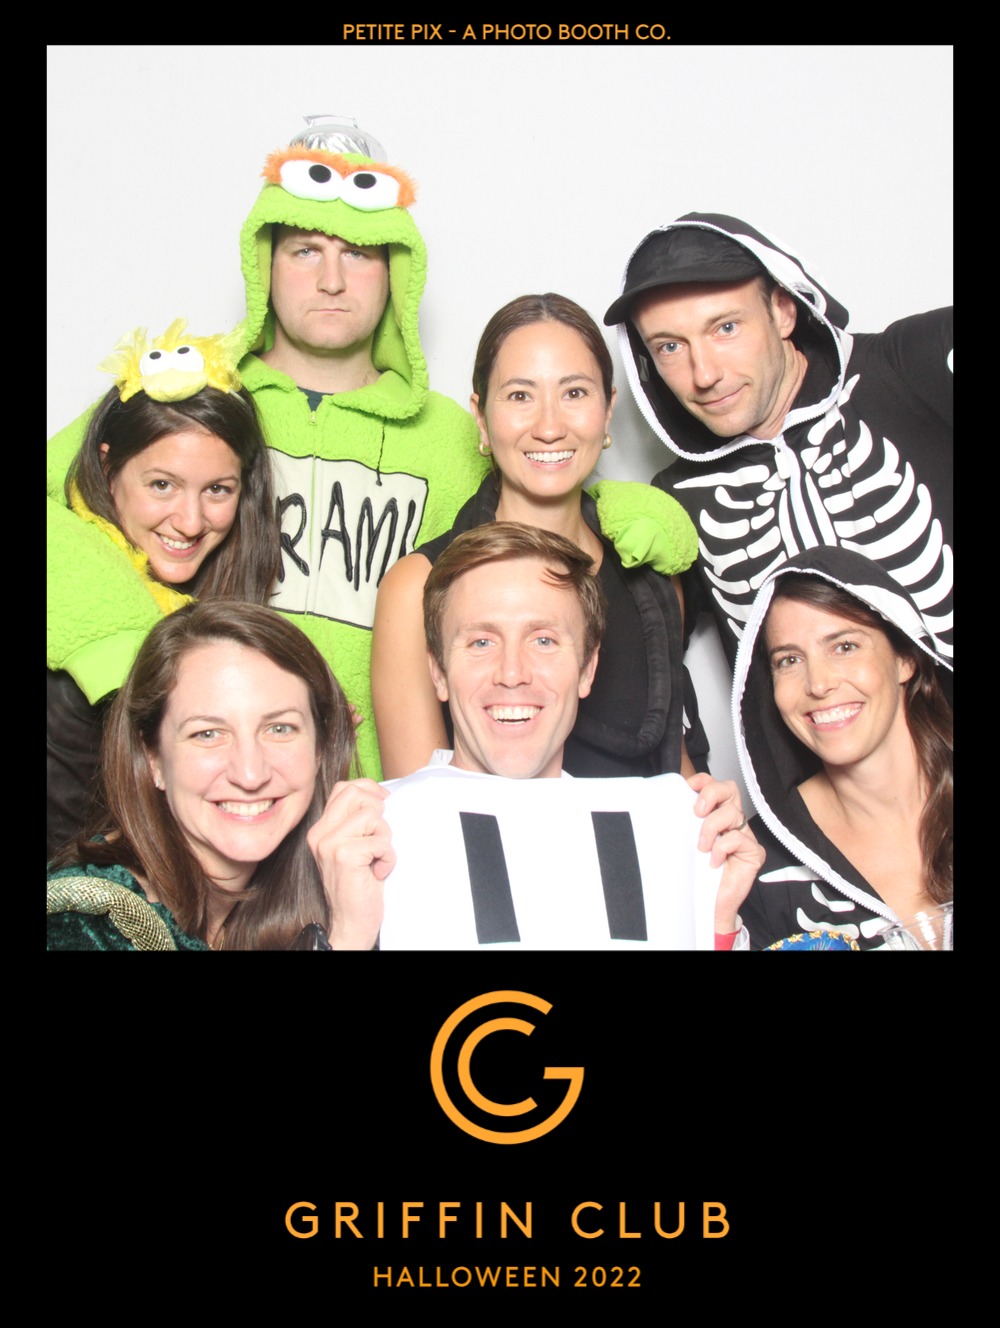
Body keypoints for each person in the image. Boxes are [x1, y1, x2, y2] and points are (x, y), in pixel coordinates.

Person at [46, 116, 489, 779]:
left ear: (395, 271)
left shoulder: (450, 436)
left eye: (359, 253)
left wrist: (629, 509)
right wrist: (121, 651)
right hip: (198, 786)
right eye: (305, 251)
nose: (332, 280)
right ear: (265, 265)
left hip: (381, 796)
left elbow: (547, 514)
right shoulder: (191, 395)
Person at [321, 523, 763, 950]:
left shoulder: (661, 839)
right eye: (481, 642)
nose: (512, 673)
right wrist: (345, 940)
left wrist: (715, 925)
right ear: (437, 672)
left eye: (544, 641)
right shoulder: (364, 844)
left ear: (587, 669)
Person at [371, 293, 700, 780]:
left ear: (608, 409)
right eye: (520, 396)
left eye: (575, 393)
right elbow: (423, 806)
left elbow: (672, 768)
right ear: (481, 417)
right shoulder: (416, 588)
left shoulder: (651, 580)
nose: (549, 427)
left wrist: (708, 809)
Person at [604, 213, 953, 668]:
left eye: (726, 327)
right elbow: (629, 660)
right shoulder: (676, 502)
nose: (704, 375)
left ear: (784, 311)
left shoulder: (909, 368)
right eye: (670, 346)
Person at [47, 320, 280, 858]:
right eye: (161, 485)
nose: (190, 521)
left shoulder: (214, 602)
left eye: (217, 490)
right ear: (107, 468)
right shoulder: (73, 661)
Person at [47, 600, 390, 951]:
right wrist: (349, 937)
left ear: (320, 748)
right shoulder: (85, 925)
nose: (250, 774)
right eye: (208, 734)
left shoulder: (318, 892)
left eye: (279, 728)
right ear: (153, 758)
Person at [732, 547, 952, 950]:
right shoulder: (756, 865)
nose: (818, 684)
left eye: (845, 647)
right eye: (789, 660)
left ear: (905, 658)